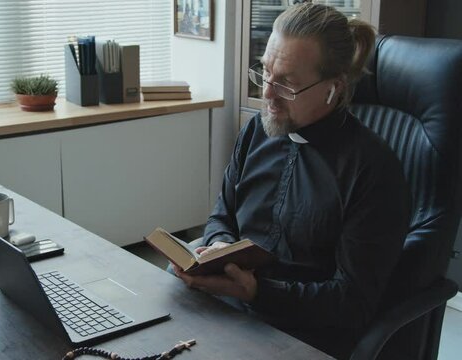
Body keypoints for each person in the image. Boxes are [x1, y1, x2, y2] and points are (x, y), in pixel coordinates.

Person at [171, 2, 411, 358]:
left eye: (286, 84)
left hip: (303, 335)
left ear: (335, 87)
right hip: (231, 310)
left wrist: (257, 292)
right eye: (265, 72)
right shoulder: (258, 130)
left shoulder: (373, 170)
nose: (267, 94)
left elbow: (352, 303)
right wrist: (220, 248)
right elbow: (224, 214)